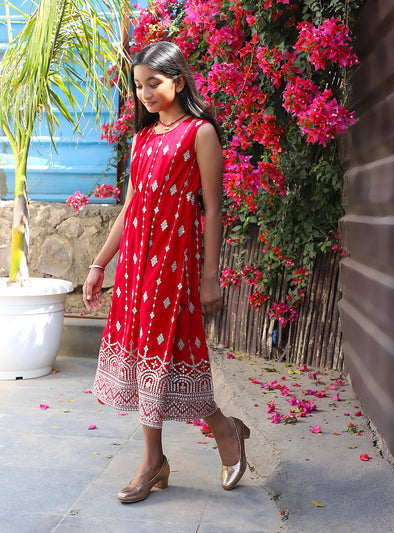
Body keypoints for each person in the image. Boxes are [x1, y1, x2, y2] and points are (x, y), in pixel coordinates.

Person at [82, 41, 250, 503]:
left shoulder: (200, 134)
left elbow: (213, 210)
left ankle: (224, 430)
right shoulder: (142, 138)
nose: (145, 93)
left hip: (174, 264)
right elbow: (129, 207)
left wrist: (210, 275)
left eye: (153, 83)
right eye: (138, 85)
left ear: (177, 80)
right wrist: (100, 263)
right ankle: (155, 460)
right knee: (145, 358)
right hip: (137, 266)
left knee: (171, 352)